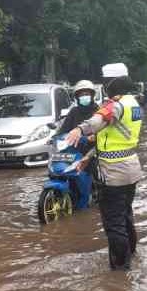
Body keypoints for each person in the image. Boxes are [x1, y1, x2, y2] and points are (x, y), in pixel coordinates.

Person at [66, 63, 143, 270]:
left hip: (114, 174)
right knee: (125, 216)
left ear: (112, 83)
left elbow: (100, 118)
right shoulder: (132, 102)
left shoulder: (115, 105)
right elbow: (111, 138)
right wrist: (88, 156)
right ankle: (132, 256)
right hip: (130, 170)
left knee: (114, 225)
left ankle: (120, 273)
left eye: (105, 82)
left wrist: (79, 129)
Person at [57, 80, 99, 209]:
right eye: (81, 94)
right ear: (77, 97)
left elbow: (102, 132)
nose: (84, 96)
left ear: (92, 96)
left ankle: (95, 194)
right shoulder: (74, 112)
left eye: (86, 94)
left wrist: (92, 138)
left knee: (95, 172)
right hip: (73, 151)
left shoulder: (98, 111)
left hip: (92, 152)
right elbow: (63, 130)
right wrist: (55, 137)